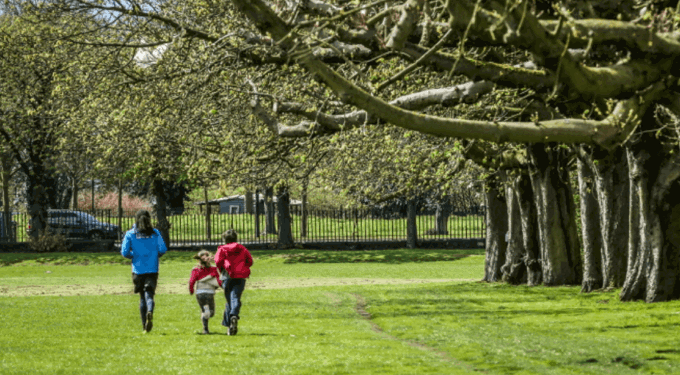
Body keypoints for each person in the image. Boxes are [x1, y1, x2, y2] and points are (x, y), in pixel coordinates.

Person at [121, 210, 167, 333]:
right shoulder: (155, 233)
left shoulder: (130, 234)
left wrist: (134, 256)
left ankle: (144, 327)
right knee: (149, 294)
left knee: (142, 298)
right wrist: (154, 255)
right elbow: (163, 249)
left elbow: (124, 252)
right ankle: (150, 310)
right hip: (152, 269)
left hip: (138, 270)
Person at [214, 229, 253, 336]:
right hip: (240, 276)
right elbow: (250, 261)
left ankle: (231, 320)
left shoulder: (222, 249)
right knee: (235, 298)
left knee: (230, 300)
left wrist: (221, 269)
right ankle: (232, 319)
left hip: (227, 276)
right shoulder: (242, 248)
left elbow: (217, 261)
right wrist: (243, 267)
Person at [188, 250, 222, 334]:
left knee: (205, 309)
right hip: (209, 293)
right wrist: (222, 286)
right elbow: (219, 280)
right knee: (211, 312)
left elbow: (191, 281)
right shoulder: (213, 269)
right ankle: (205, 322)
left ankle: (205, 329)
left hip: (200, 293)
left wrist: (191, 290)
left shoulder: (196, 269)